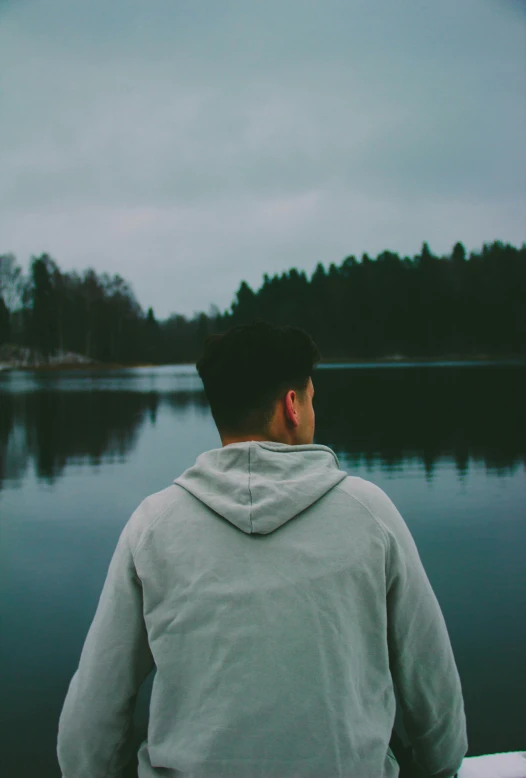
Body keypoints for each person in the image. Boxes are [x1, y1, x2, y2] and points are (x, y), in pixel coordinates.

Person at [57, 321, 467, 778]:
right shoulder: (370, 514)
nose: (314, 409)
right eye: (311, 397)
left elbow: (89, 724)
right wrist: (441, 766)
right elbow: (432, 684)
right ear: (292, 406)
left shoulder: (153, 526)